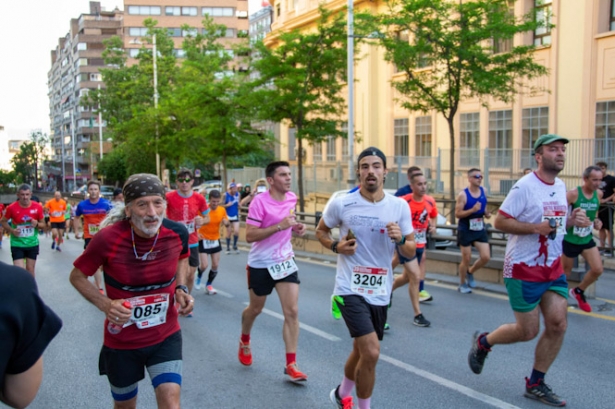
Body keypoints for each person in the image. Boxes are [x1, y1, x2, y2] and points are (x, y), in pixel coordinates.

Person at [468, 134, 588, 407]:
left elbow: (554, 224)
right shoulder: (524, 187)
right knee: (528, 331)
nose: (560, 154)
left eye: (562, 150)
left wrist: (571, 219)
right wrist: (536, 228)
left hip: (552, 267)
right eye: (553, 149)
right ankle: (484, 342)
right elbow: (500, 221)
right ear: (538, 156)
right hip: (523, 268)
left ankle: (535, 383)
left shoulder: (559, 186)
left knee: (558, 324)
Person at [69, 173, 194, 409]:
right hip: (122, 342)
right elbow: (77, 277)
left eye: (158, 203)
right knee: (125, 406)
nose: (152, 212)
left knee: (170, 401)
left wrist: (180, 287)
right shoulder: (108, 238)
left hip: (165, 335)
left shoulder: (177, 233)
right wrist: (106, 304)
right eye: (142, 204)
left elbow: (182, 258)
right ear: (128, 210)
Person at [316, 147, 414, 409]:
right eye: (365, 166)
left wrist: (401, 239)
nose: (371, 171)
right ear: (358, 171)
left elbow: (411, 249)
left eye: (376, 166)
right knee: (371, 351)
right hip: (349, 287)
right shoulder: (342, 203)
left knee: (360, 350)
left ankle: (340, 394)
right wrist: (336, 246)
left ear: (385, 171)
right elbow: (321, 231)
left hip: (381, 289)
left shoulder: (399, 206)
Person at [238, 161, 308, 383]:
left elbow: (290, 222)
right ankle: (245, 339)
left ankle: (291, 363)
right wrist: (280, 225)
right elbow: (249, 236)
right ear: (270, 180)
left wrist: (297, 227)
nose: (288, 178)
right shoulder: (259, 202)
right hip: (261, 263)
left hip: (285, 261)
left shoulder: (291, 198)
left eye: (289, 174)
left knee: (292, 311)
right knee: (255, 309)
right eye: (283, 175)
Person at [0, 261, 62, 408]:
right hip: (18, 284)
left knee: (30, 269)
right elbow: (20, 396)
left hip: (30, 245)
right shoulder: (14, 286)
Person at [390, 172, 437, 327]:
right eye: (419, 184)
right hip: (406, 244)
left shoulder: (430, 201)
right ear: (412, 186)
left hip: (420, 244)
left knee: (406, 277)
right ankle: (418, 314)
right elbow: (391, 213)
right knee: (415, 277)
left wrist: (433, 225)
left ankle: (387, 290)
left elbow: (433, 215)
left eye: (425, 184)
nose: (423, 187)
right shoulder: (404, 201)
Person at [562, 165, 603, 313]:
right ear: (585, 179)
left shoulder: (598, 194)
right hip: (570, 239)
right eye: (594, 180)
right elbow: (559, 217)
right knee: (565, 274)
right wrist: (572, 221)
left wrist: (597, 222)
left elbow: (595, 213)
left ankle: (579, 291)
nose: (597, 183)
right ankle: (559, 301)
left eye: (600, 180)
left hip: (586, 238)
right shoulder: (572, 194)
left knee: (598, 269)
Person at [165, 168, 210, 305]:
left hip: (192, 242)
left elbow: (207, 217)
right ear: (177, 182)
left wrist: (202, 221)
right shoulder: (169, 197)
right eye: (181, 180)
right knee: (176, 274)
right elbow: (161, 214)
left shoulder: (199, 198)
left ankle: (186, 300)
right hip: (174, 241)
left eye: (187, 180)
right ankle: (175, 298)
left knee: (190, 274)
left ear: (192, 181)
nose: (184, 183)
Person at [455, 168, 492, 293]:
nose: (479, 178)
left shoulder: (484, 191)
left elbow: (484, 205)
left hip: (478, 227)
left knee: (486, 257)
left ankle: (470, 272)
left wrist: (486, 213)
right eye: (476, 176)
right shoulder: (463, 195)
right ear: (470, 179)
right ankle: (461, 284)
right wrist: (472, 210)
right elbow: (457, 214)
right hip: (465, 229)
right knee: (466, 258)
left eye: (481, 176)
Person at [74, 180, 113, 294]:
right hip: (89, 236)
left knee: (103, 262)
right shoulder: (82, 205)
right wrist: (77, 231)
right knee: (95, 261)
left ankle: (99, 281)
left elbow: (113, 218)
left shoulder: (106, 204)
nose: (93, 191)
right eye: (91, 189)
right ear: (88, 191)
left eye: (95, 189)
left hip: (104, 235)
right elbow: (76, 218)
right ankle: (100, 287)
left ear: (99, 191)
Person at [1, 184, 45, 276]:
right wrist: (12, 230)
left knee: (30, 270)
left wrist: (36, 224)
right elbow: (3, 221)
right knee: (19, 271)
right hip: (17, 243)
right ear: (18, 195)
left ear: (31, 194)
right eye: (22, 195)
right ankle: (21, 290)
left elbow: (43, 225)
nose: (25, 197)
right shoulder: (12, 208)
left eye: (27, 194)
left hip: (32, 243)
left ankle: (30, 290)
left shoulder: (38, 207)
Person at [195, 189, 230, 294]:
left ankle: (209, 284)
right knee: (204, 265)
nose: (215, 203)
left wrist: (226, 222)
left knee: (215, 265)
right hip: (204, 238)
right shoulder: (203, 209)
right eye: (213, 201)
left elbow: (227, 222)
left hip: (215, 239)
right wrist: (196, 233)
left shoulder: (221, 210)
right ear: (209, 200)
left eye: (217, 201)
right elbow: (195, 221)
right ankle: (199, 275)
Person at [596, 161, 615, 254]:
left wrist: (606, 200)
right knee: (601, 227)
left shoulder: (611, 179)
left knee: (609, 227)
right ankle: (602, 247)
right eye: (599, 168)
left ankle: (610, 248)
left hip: (608, 206)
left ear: (606, 169)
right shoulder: (596, 179)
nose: (601, 170)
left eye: (602, 168)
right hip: (599, 205)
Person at [223, 182, 241, 254]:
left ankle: (234, 245)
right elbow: (220, 205)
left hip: (235, 214)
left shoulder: (238, 194)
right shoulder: (225, 195)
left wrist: (239, 205)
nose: (234, 191)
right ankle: (227, 248)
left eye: (235, 189)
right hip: (227, 215)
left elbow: (238, 203)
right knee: (229, 232)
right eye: (233, 189)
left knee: (236, 231)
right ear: (230, 189)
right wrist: (227, 205)